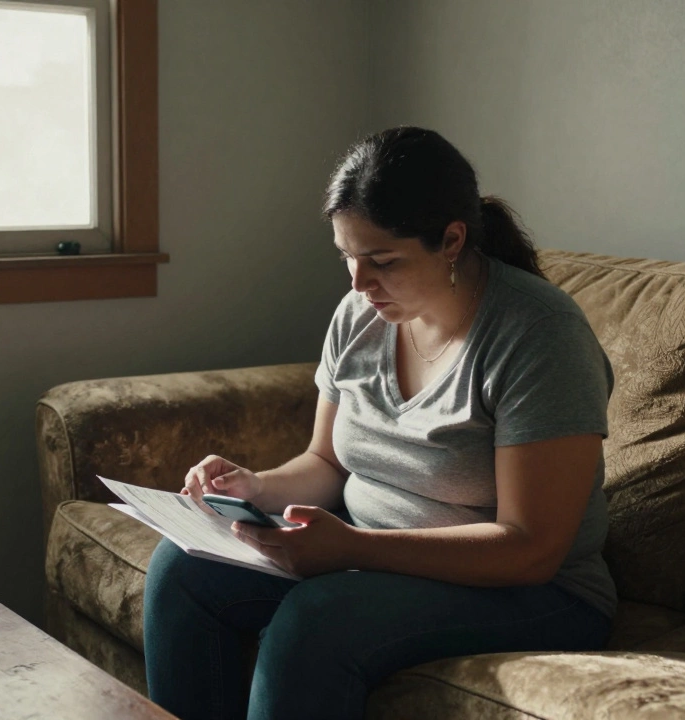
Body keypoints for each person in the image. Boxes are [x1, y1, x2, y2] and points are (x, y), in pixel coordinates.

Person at [143, 126, 616, 720]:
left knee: (316, 621)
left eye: (383, 261)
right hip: (368, 558)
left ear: (451, 240)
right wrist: (253, 487)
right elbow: (326, 462)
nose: (358, 284)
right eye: (347, 257)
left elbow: (531, 549)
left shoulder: (539, 335)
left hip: (528, 592)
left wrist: (353, 548)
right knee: (182, 569)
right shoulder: (359, 317)